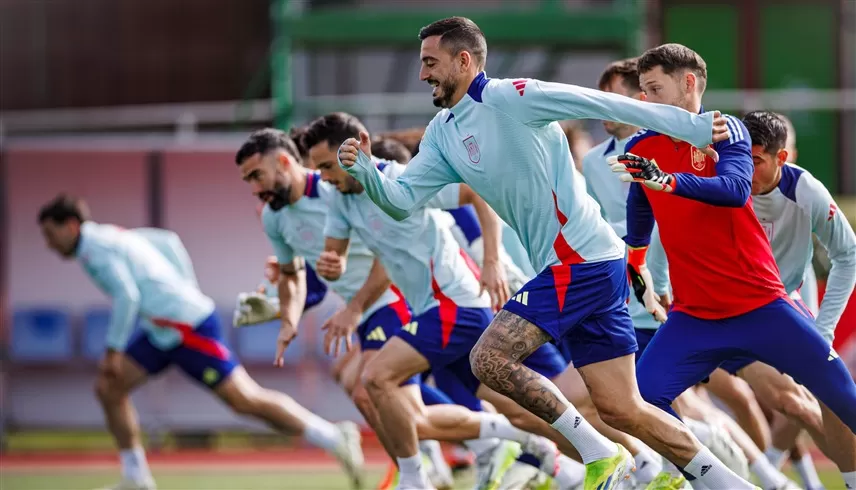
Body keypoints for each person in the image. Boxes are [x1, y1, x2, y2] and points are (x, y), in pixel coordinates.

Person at [337, 15, 748, 490]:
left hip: (583, 259)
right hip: (587, 264)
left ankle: (601, 453)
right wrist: (366, 172)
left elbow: (596, 101)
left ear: (464, 60)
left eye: (431, 62)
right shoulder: (442, 132)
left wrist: (691, 127)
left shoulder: (513, 96)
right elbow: (402, 200)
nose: (422, 73)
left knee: (488, 359)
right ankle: (731, 485)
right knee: (622, 408)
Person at [609, 43, 856, 490]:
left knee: (839, 398)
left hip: (763, 307)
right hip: (695, 317)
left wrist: (667, 180)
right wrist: (637, 261)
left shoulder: (728, 131)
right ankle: (729, 483)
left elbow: (734, 189)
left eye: (654, 88)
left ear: (688, 84)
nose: (644, 99)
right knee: (637, 401)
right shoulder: (642, 144)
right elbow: (640, 202)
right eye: (641, 90)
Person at [305, 112, 589, 490]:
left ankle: (415, 480)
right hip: (437, 311)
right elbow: (336, 255)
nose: (324, 177)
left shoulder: (402, 180)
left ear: (358, 146)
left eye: (328, 166)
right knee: (509, 409)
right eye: (319, 169)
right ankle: (578, 462)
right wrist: (332, 265)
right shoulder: (340, 198)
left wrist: (492, 262)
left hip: (457, 305)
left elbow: (473, 193)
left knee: (375, 379)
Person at [38, 194, 364, 490]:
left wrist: (113, 350)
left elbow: (128, 296)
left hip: (188, 327)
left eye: (51, 235)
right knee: (109, 388)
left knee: (245, 399)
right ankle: (136, 478)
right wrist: (186, 287)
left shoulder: (95, 250)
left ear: (71, 226)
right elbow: (168, 241)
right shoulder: (108, 235)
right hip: (161, 331)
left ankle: (334, 437)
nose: (49, 244)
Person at [740, 110, 856, 488]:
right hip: (718, 311)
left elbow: (847, 255)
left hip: (775, 310)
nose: (751, 169)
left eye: (761, 158)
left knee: (799, 399)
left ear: (786, 156)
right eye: (746, 156)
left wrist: (823, 331)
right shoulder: (726, 182)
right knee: (766, 401)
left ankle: (784, 479)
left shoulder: (805, 191)